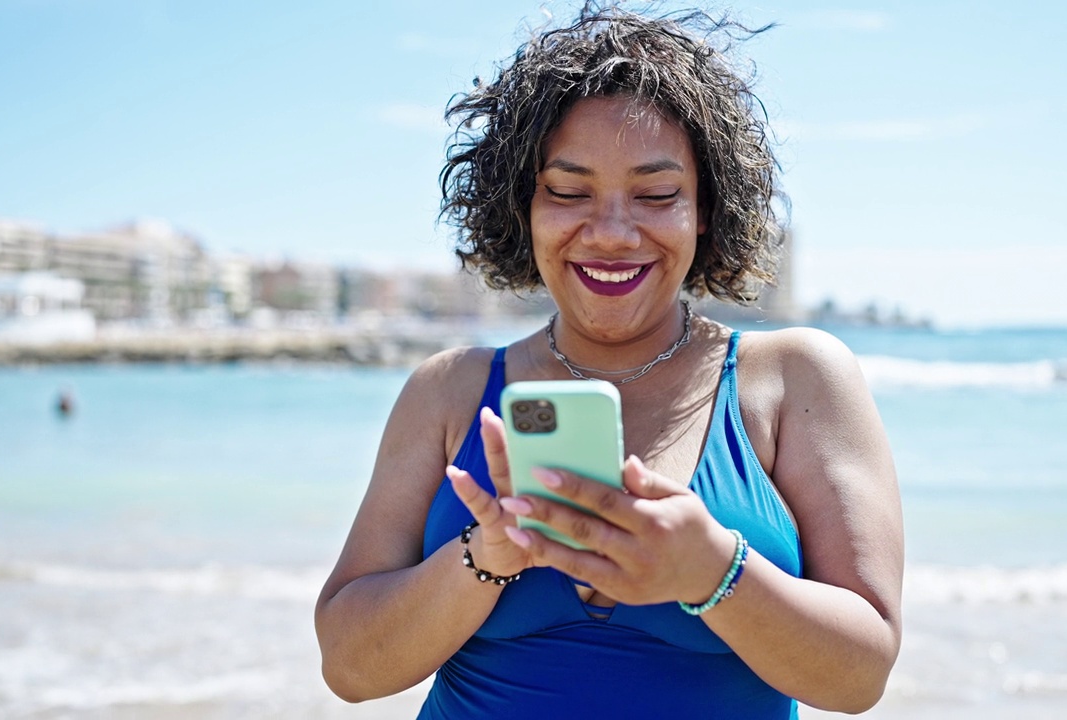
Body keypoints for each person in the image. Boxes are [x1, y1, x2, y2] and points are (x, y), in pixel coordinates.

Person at [315, 5, 902, 718]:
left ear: (704, 209)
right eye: (569, 192)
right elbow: (350, 668)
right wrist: (485, 557)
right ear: (522, 205)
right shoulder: (448, 392)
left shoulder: (793, 379)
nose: (613, 233)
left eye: (656, 195)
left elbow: (858, 678)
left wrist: (713, 572)